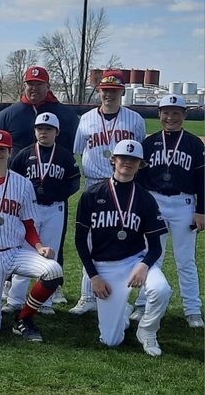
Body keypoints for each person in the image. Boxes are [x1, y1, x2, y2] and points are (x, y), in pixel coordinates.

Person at [0, 130, 63, 342]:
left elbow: (28, 223)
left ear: (10, 152)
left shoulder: (23, 184)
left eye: (2, 149)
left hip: (15, 252)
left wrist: (38, 246)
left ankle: (23, 318)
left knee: (53, 270)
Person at [75, 139, 171, 356]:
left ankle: (147, 331)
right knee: (111, 341)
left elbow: (155, 246)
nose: (127, 162)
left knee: (161, 289)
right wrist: (94, 277)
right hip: (105, 268)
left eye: (133, 159)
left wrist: (144, 265)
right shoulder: (93, 194)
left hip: (134, 261)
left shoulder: (145, 198)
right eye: (123, 158)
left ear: (140, 165)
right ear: (113, 160)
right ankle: (124, 309)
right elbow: (80, 241)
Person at [71, 69, 145, 315]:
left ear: (122, 92)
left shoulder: (135, 119)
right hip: (95, 183)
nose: (109, 95)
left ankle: (124, 296)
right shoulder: (87, 119)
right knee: (90, 239)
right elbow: (79, 150)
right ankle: (86, 296)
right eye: (105, 90)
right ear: (99, 92)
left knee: (122, 238)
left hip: (125, 185)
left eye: (114, 91)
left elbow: (139, 153)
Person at [136, 95, 204, 328]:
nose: (170, 117)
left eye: (176, 113)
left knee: (185, 260)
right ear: (159, 114)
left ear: (184, 115)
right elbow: (141, 179)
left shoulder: (194, 144)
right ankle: (143, 303)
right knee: (152, 255)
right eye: (166, 112)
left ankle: (192, 309)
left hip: (184, 203)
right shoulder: (150, 142)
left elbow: (202, 179)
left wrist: (201, 210)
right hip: (154, 201)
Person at [2, 112, 80, 314]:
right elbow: (13, 179)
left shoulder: (64, 155)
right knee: (26, 252)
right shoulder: (25, 153)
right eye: (40, 129)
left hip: (55, 208)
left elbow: (74, 181)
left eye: (48, 129)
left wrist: (59, 193)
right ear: (35, 131)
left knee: (50, 252)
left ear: (57, 132)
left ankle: (44, 302)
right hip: (30, 208)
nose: (43, 132)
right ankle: (15, 299)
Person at [0, 66, 80, 154]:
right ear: (24, 86)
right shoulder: (7, 115)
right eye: (31, 84)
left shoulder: (67, 115)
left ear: (48, 86)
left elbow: (81, 148)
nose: (34, 88)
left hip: (57, 167)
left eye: (39, 84)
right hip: (17, 168)